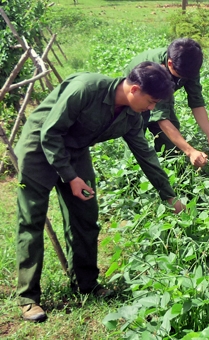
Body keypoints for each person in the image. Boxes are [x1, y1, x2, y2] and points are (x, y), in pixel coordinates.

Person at [14, 61, 184, 322]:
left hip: (75, 152)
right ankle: (29, 298)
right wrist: (70, 177)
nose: (151, 108)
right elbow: (50, 133)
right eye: (150, 101)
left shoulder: (130, 115)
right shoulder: (86, 88)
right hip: (39, 145)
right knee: (32, 219)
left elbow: (145, 154)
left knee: (85, 216)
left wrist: (168, 195)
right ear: (134, 89)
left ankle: (86, 283)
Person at [124, 38, 209, 168]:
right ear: (170, 63)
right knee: (135, 135)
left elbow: (196, 101)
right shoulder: (157, 70)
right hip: (137, 97)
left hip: (162, 93)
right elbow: (161, 118)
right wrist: (190, 151)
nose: (185, 79)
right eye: (181, 76)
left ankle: (169, 172)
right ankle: (128, 178)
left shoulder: (189, 65)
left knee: (170, 144)